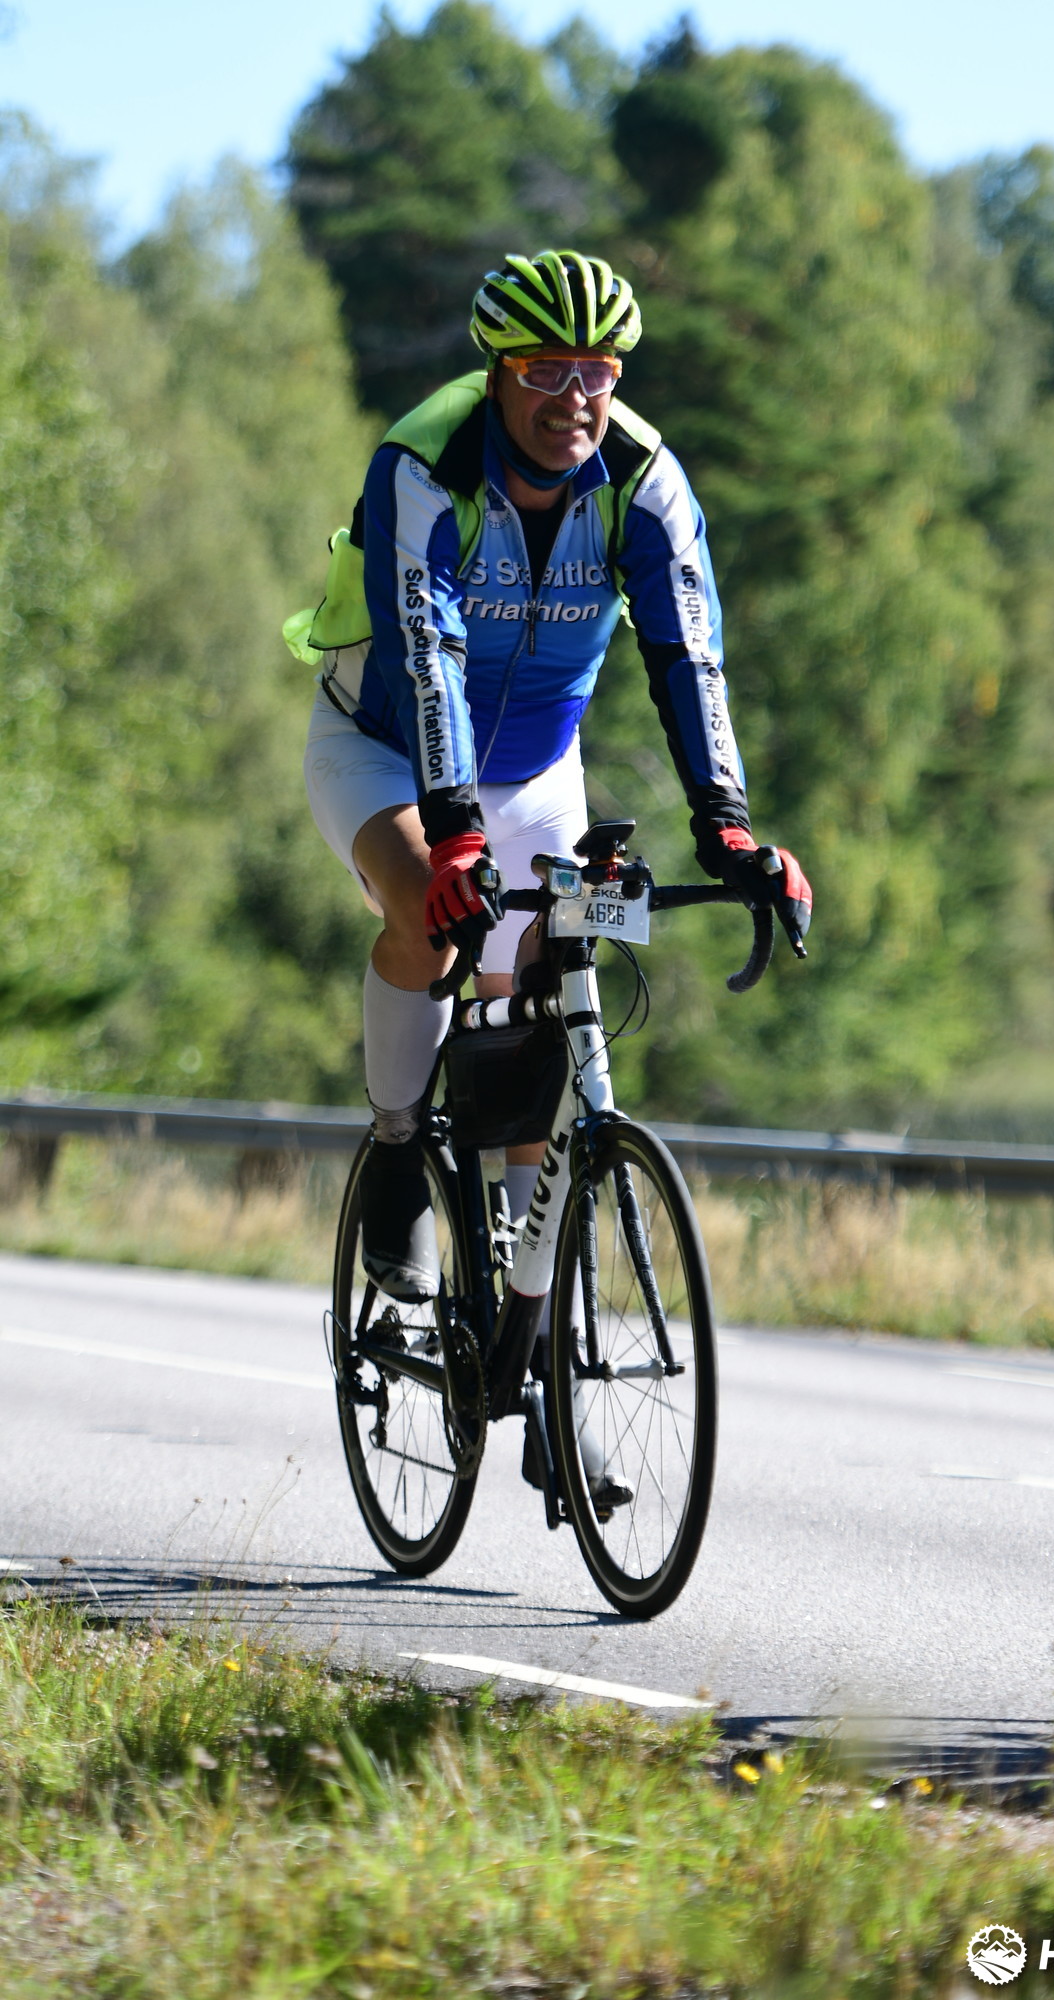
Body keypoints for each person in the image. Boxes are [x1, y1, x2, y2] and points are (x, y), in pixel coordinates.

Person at [295, 249, 811, 1300]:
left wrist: (728, 828)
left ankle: (529, 1306)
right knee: (430, 920)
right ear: (496, 371)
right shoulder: (423, 463)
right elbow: (428, 653)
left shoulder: (644, 481)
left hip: (535, 768)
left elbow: (688, 656)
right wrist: (453, 834)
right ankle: (397, 1147)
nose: (574, 398)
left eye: (597, 372)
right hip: (385, 747)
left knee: (540, 989)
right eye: (544, 371)